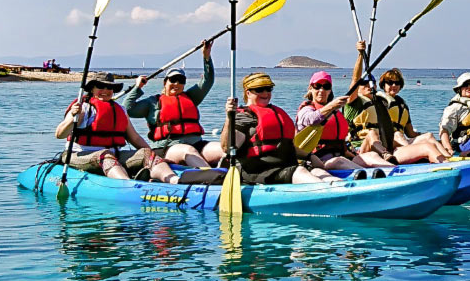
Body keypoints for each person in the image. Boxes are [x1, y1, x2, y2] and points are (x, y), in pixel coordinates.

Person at [54, 71, 183, 183]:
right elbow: (60, 134)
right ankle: (127, 184)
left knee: (145, 153)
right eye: (100, 86)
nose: (105, 91)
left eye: (109, 87)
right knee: (106, 156)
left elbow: (135, 138)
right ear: (92, 89)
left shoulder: (120, 110)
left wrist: (152, 155)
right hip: (79, 155)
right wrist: (72, 116)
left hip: (114, 155)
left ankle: (173, 180)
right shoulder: (83, 108)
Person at [219, 73, 339, 185]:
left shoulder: (277, 112)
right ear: (248, 92)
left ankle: (346, 189)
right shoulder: (243, 116)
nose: (265, 93)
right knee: (300, 171)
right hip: (259, 171)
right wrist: (229, 117)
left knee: (319, 172)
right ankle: (333, 193)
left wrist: (309, 156)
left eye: (268, 89)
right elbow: (227, 148)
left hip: (286, 166)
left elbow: (286, 145)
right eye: (259, 89)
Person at [124, 40, 223, 168]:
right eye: (173, 80)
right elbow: (128, 109)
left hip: (197, 144)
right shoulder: (153, 102)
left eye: (181, 80)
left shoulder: (191, 97)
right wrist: (137, 87)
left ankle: (239, 176)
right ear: (165, 82)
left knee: (222, 148)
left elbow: (208, 81)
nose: (176, 83)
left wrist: (206, 57)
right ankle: (212, 177)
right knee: (188, 151)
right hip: (167, 148)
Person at [296, 70, 392, 170]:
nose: (321, 90)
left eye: (326, 87)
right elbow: (312, 120)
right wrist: (332, 106)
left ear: (330, 90)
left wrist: (355, 155)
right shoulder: (306, 110)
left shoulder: (336, 113)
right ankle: (368, 175)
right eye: (317, 86)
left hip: (342, 156)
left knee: (371, 155)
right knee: (340, 161)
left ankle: (394, 170)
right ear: (310, 88)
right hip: (319, 163)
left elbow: (342, 143)